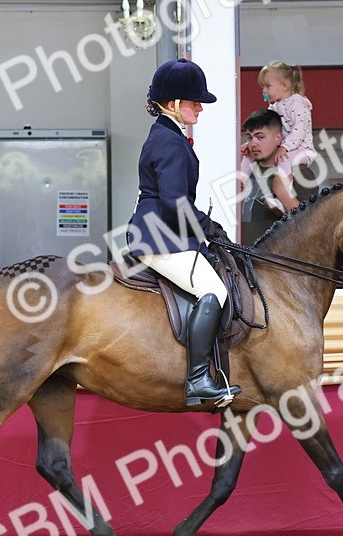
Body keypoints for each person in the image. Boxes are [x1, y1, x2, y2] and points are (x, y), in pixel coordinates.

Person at [127, 58, 241, 408]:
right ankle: (198, 380)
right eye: (194, 102)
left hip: (165, 233)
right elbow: (175, 204)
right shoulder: (169, 141)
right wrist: (209, 228)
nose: (200, 109)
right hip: (159, 235)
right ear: (173, 103)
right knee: (213, 289)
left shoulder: (168, 135)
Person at [239, 61, 317, 209]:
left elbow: (299, 131)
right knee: (250, 154)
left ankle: (283, 198)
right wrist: (250, 143)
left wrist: (285, 147)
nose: (264, 90)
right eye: (263, 87)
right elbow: (270, 132)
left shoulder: (298, 104)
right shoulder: (275, 107)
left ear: (284, 85)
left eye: (268, 86)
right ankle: (240, 179)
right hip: (286, 147)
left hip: (301, 149)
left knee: (283, 159)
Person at [239, 109, 316, 244]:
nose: (253, 143)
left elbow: (310, 226)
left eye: (260, 137)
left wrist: (283, 194)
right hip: (240, 259)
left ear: (278, 138)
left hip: (278, 261)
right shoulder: (246, 170)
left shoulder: (299, 172)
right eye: (249, 137)